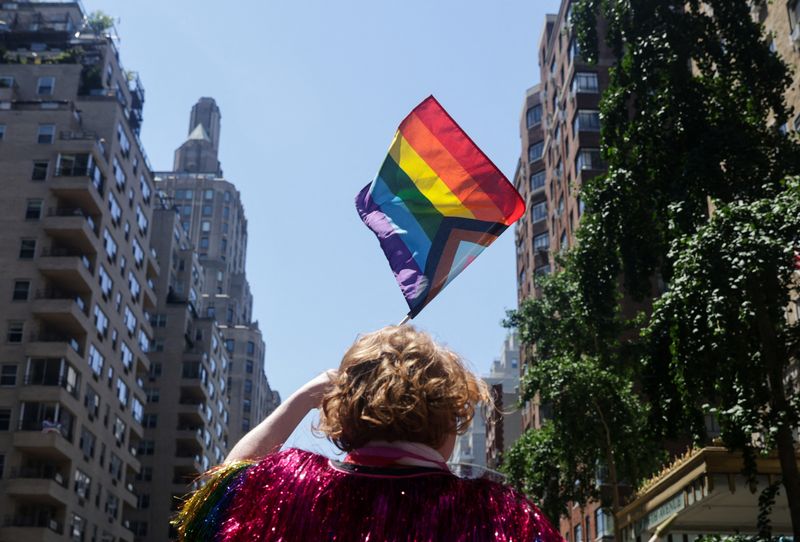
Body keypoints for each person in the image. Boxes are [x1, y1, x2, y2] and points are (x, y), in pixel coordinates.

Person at [174, 325, 561, 541]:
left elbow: (218, 498)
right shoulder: (500, 515)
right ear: (450, 418)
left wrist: (300, 400)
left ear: (342, 409)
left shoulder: (290, 490)